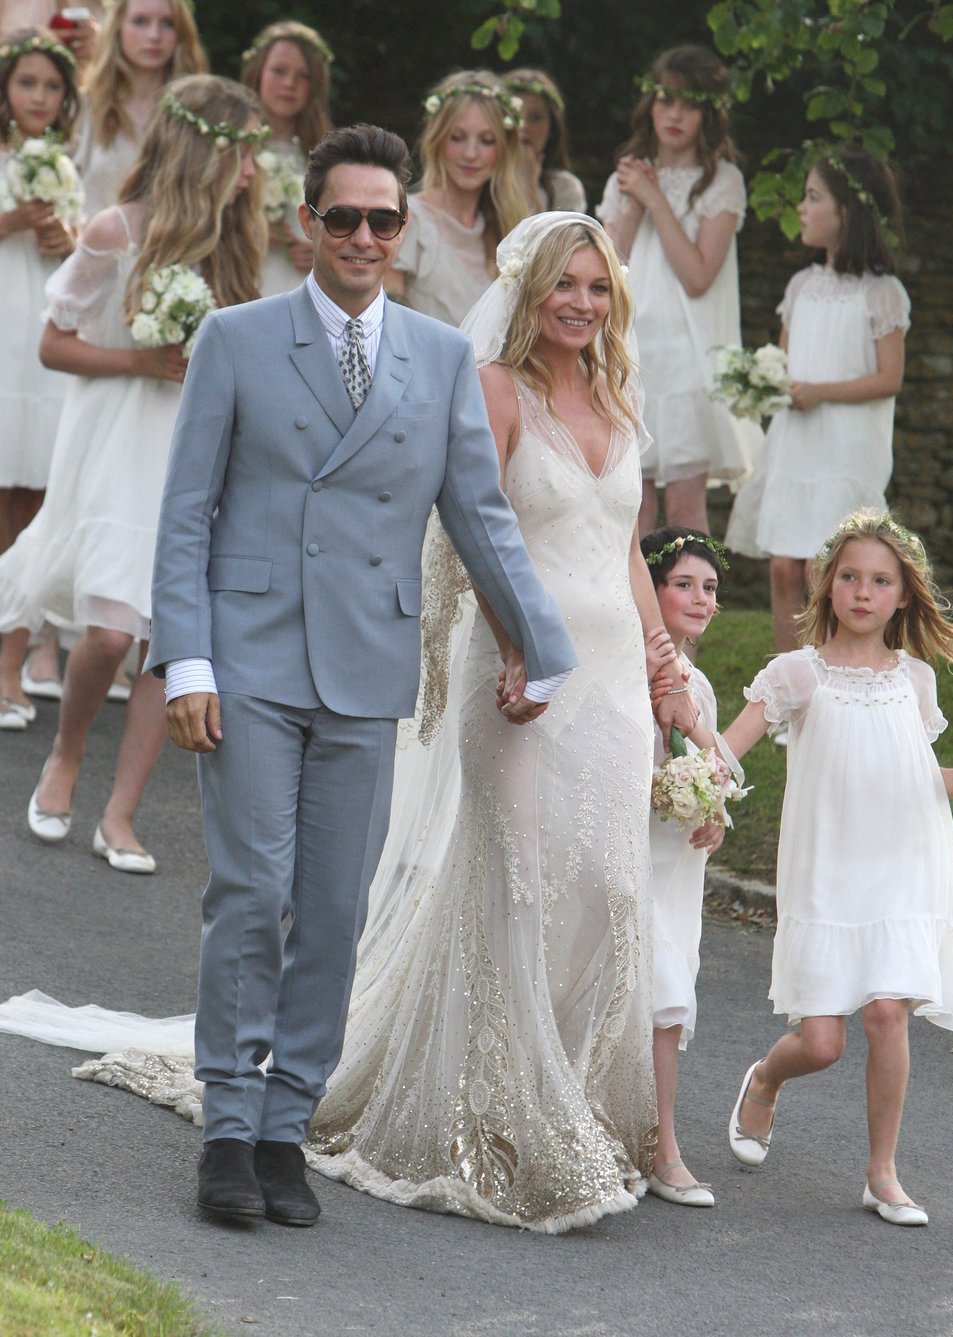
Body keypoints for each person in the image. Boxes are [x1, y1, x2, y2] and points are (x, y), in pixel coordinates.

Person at [146, 125, 580, 1229]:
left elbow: (477, 513)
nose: (363, 236)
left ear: (402, 229)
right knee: (253, 892)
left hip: (367, 663)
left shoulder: (438, 357)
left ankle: (285, 1126)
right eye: (342, 216)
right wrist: (185, 658)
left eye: (383, 219)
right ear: (308, 223)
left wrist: (541, 644)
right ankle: (227, 1126)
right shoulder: (236, 338)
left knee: (335, 907)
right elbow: (186, 511)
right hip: (245, 656)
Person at [293, 212, 700, 1232]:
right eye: (564, 284)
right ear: (528, 288)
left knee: (607, 890)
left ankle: (569, 1096)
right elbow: (472, 526)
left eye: (597, 288)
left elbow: (623, 546)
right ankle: (497, 1119)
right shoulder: (493, 389)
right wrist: (520, 646)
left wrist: (664, 669)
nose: (580, 303)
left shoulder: (619, 393)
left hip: (612, 677)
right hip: (521, 672)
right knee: (517, 886)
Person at [0, 74, 265, 867]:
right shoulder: (115, 229)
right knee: (113, 629)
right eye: (246, 153)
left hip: (197, 447)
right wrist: (143, 360)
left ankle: (120, 813)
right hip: (118, 439)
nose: (255, 171)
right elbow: (54, 343)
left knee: (168, 636)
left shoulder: (237, 241)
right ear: (206, 150)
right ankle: (66, 754)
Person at [706, 510, 953, 1226]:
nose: (863, 591)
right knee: (822, 1042)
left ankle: (882, 1173)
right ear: (828, 585)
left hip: (899, 866)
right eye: (850, 577)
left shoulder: (916, 679)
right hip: (828, 869)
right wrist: (698, 789)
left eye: (880, 581)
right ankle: (766, 1077)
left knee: (889, 1012)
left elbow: (917, 776)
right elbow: (727, 750)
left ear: (903, 595)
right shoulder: (798, 673)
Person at [726, 149, 909, 688]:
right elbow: (787, 363)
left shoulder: (882, 293)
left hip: (845, 447)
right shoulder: (801, 286)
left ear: (846, 212)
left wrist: (820, 393)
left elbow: (889, 377)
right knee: (784, 566)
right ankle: (793, 688)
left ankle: (838, 682)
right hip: (797, 442)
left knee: (824, 567)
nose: (802, 209)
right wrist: (760, 382)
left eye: (813, 197)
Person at [599, 45, 756, 536]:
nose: (674, 115)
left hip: (688, 359)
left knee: (687, 509)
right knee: (634, 507)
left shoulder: (721, 181)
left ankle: (694, 588)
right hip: (633, 351)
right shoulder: (626, 176)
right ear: (651, 104)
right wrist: (634, 202)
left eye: (689, 105)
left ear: (708, 114)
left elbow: (697, 275)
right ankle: (637, 593)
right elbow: (607, 268)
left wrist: (655, 199)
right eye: (666, 101)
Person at [640, 526, 739, 1207]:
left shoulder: (696, 682)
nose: (701, 598)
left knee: (664, 1001)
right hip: (634, 854)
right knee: (660, 997)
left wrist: (714, 812)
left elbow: (716, 768)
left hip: (676, 865)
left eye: (710, 587)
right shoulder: (635, 675)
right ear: (650, 592)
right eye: (684, 584)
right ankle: (663, 1150)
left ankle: (647, 1139)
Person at [0, 27, 81, 729]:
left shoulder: (66, 166)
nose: (39, 97)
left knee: (33, 501)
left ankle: (14, 661)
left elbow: (81, 254)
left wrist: (64, 238)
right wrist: (12, 220)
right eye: (27, 83)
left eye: (52, 86)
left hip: (41, 346)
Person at [386, 69, 532, 326]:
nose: (470, 153)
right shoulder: (409, 220)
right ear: (438, 140)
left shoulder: (511, 229)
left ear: (504, 148)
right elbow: (388, 320)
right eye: (457, 138)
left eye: (487, 140)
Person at [73, 0, 205, 220]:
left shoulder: (197, 112)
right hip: (94, 237)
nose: (154, 35)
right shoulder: (85, 106)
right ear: (117, 27)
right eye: (140, 21)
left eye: (168, 23)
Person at [241, 19, 332, 296]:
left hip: (304, 283)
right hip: (246, 278)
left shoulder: (326, 155)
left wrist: (322, 250)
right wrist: (253, 231)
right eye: (279, 71)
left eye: (303, 76)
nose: (289, 84)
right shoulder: (234, 147)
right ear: (258, 72)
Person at [504, 68, 586, 213]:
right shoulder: (477, 179)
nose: (524, 126)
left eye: (535, 118)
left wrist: (529, 188)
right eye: (515, 116)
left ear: (551, 128)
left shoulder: (565, 188)